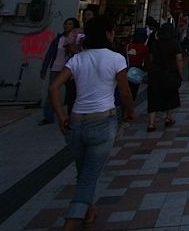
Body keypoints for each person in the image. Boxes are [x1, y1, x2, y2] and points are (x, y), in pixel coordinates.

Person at [48, 16, 134, 230]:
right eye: (112, 30)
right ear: (107, 34)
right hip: (102, 122)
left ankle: (89, 210)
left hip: (75, 122)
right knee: (88, 177)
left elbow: (53, 88)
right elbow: (125, 94)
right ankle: (71, 223)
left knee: (84, 173)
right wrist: (129, 113)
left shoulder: (77, 59)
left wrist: (61, 116)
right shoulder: (116, 59)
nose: (114, 34)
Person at [39, 17, 80, 125]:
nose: (66, 26)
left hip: (69, 70)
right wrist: (44, 68)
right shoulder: (59, 38)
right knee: (51, 92)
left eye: (70, 24)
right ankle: (48, 116)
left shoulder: (77, 39)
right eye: (65, 23)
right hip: (56, 68)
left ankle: (71, 116)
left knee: (71, 94)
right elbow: (50, 53)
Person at [146, 24, 183, 131]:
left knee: (153, 97)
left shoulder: (154, 44)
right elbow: (179, 60)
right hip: (170, 73)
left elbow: (151, 59)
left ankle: (151, 123)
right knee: (170, 94)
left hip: (155, 73)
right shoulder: (175, 44)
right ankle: (168, 117)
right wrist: (180, 73)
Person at [125, 29, 150, 100]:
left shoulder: (127, 46)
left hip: (127, 71)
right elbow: (147, 61)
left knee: (126, 90)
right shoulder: (145, 48)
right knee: (134, 92)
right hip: (137, 73)